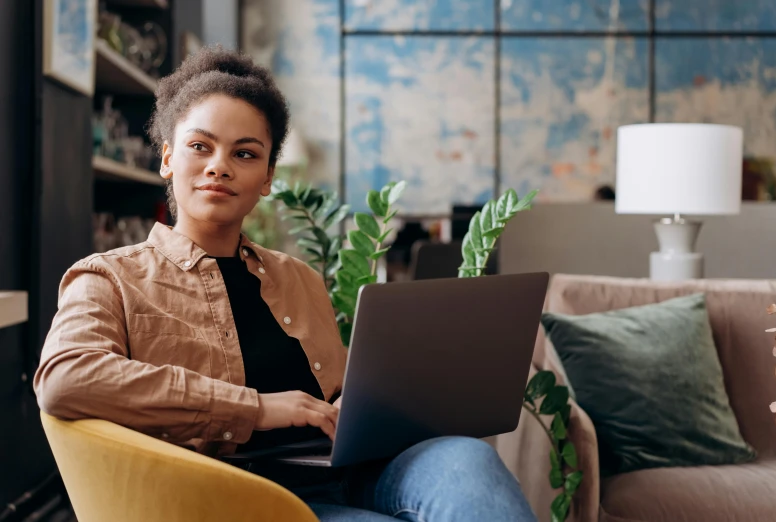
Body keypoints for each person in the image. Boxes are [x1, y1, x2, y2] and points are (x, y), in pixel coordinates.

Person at [33, 47, 536, 522]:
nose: (219, 166)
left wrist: (363, 406)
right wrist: (257, 407)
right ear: (167, 158)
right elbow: (65, 378)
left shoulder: (298, 278)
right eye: (199, 146)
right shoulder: (108, 277)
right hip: (243, 495)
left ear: (269, 176)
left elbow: (339, 391)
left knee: (467, 460)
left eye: (245, 154)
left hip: (343, 470)